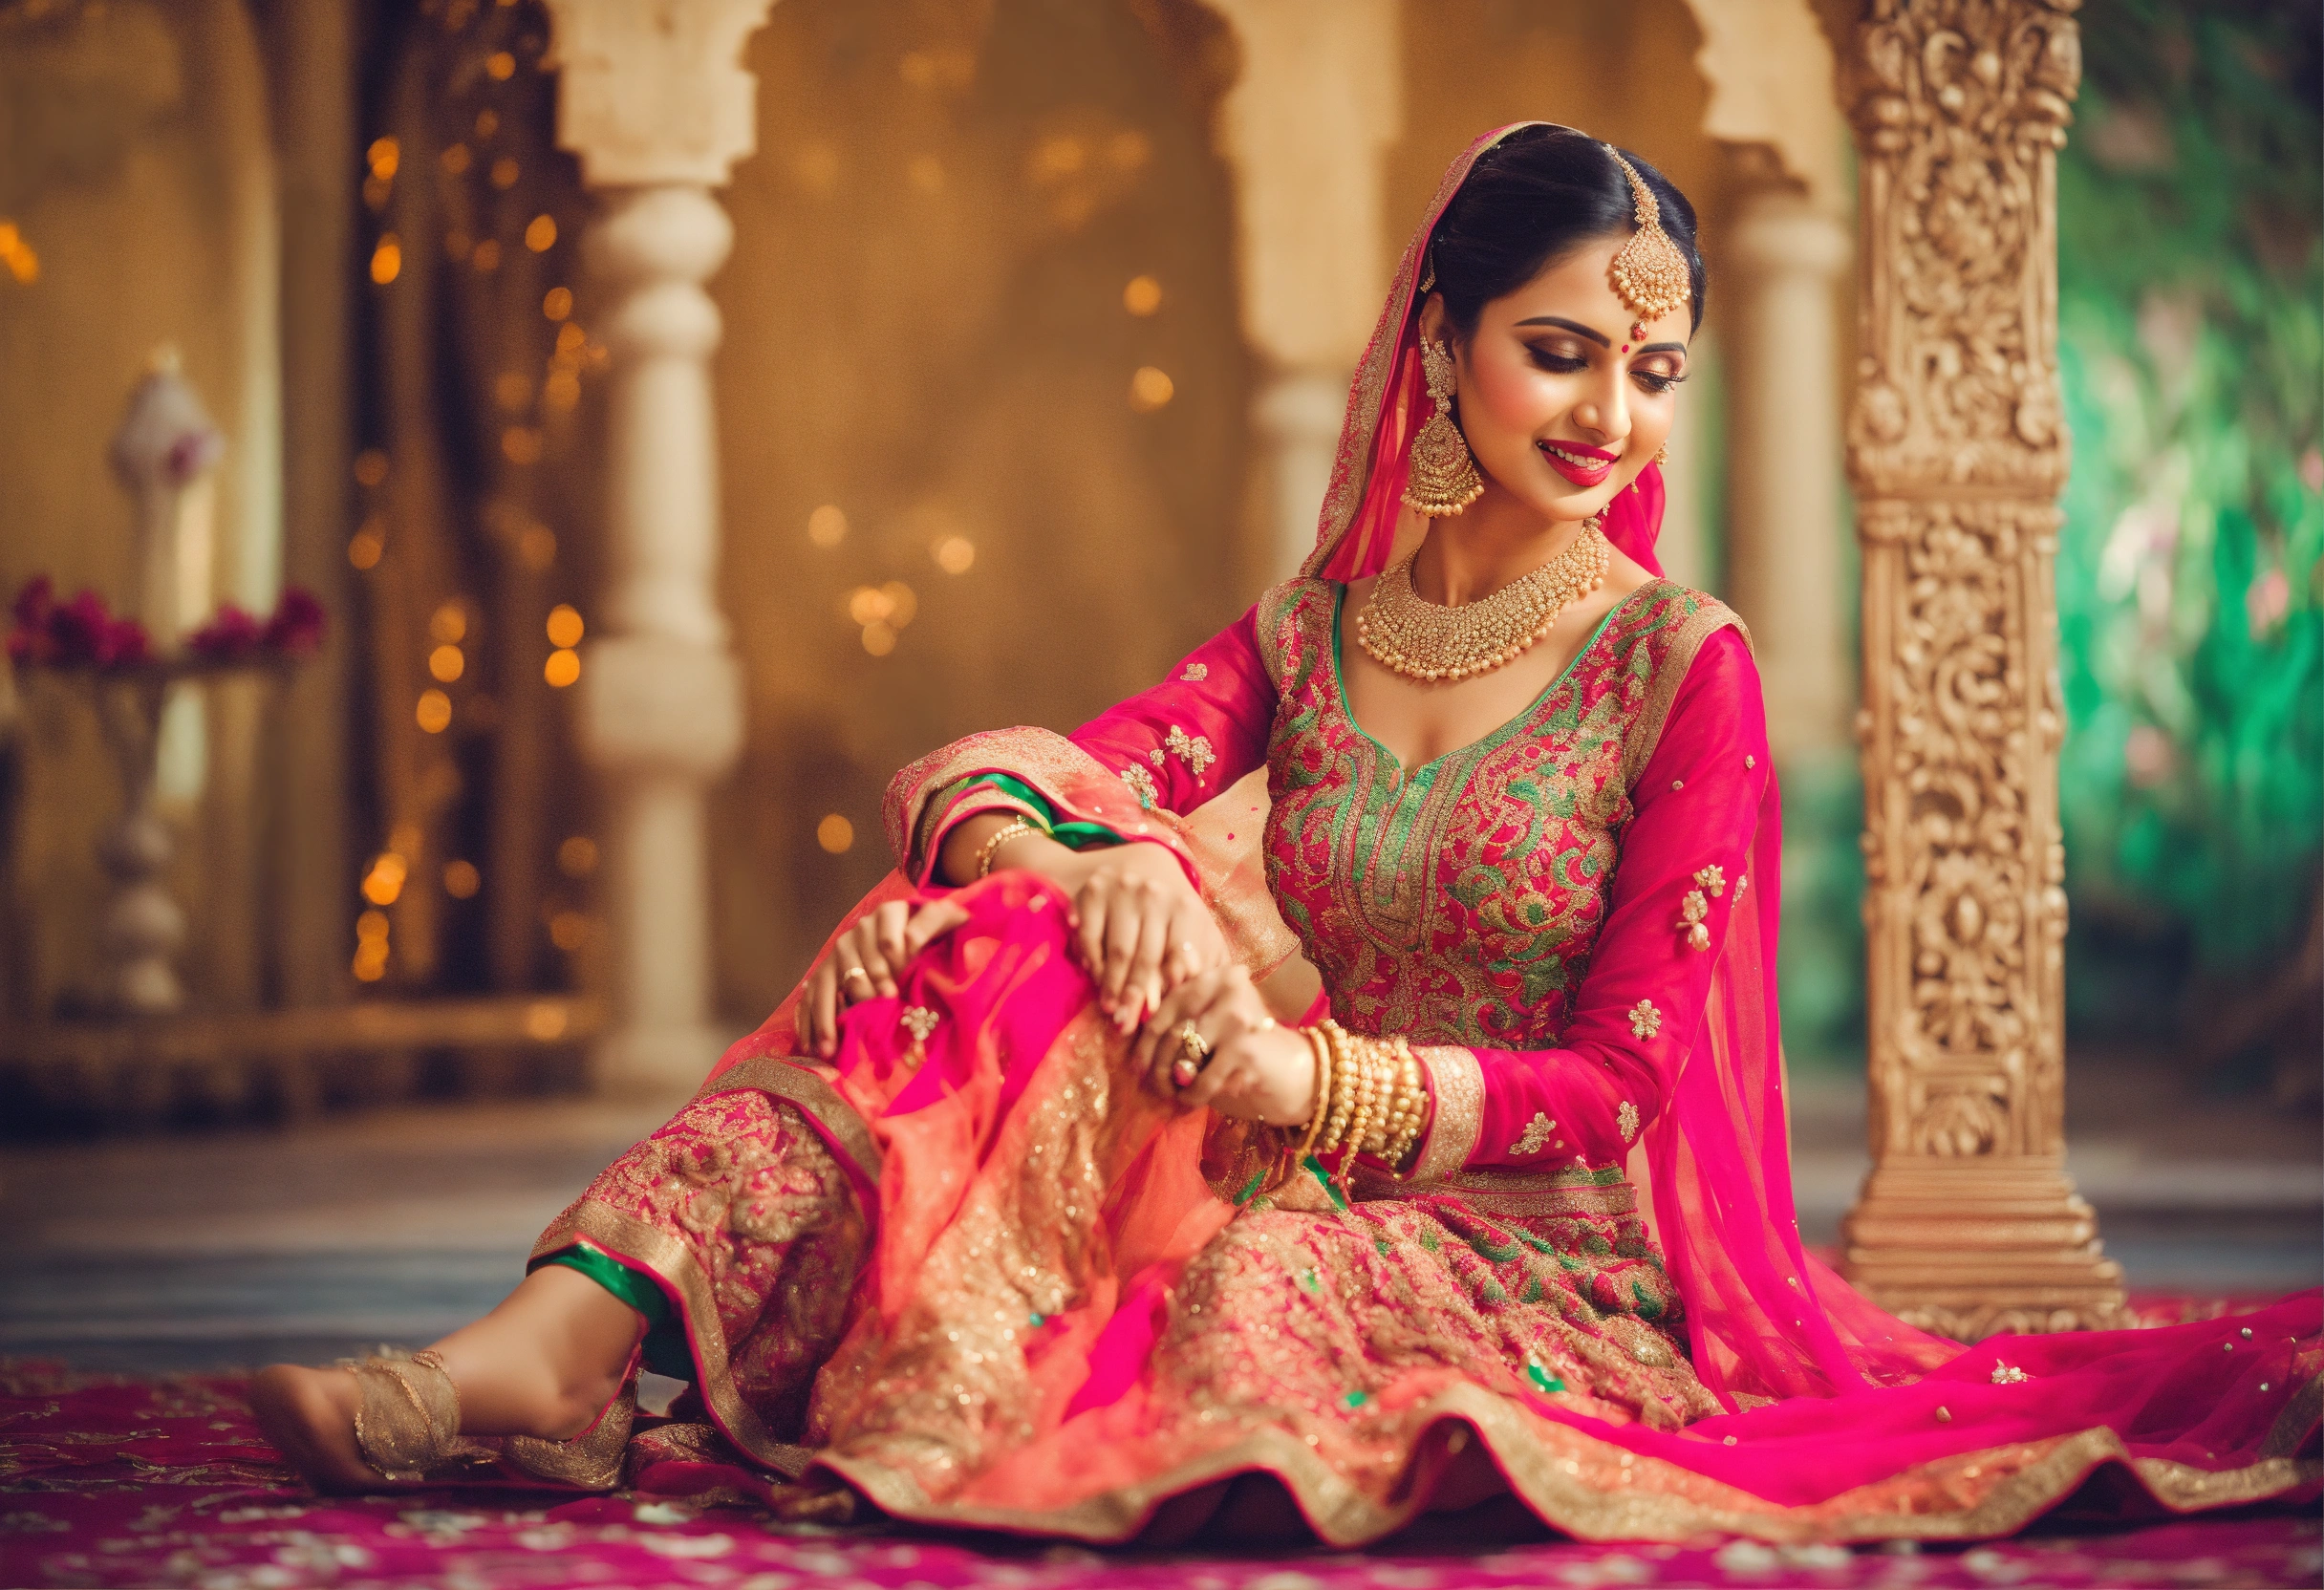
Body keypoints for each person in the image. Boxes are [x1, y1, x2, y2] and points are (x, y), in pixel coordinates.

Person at [251, 123, 2319, 1545]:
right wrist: (1094, 863)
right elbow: (1005, 777)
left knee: (1235, 1316)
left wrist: (1290, 1065)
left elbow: (1622, 1090)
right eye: (1562, 350)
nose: (1608, 411)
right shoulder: (1311, 633)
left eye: (1650, 366)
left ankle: (579, 1364)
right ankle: (544, 1344)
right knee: (967, 930)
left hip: (1533, 1242)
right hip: (1282, 1152)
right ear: (1442, 343)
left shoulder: (1677, 666)